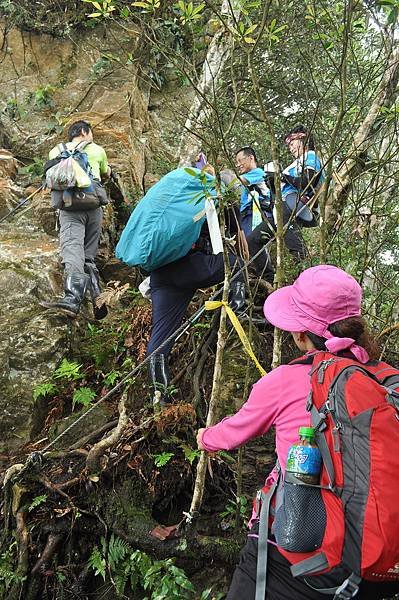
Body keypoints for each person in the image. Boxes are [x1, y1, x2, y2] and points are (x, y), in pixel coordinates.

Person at [197, 264, 399, 600]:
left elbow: (231, 434)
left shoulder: (284, 380)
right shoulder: (386, 379)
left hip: (302, 557)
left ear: (300, 334)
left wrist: (204, 436)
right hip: (380, 563)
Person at [147, 169, 247, 408]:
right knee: (236, 264)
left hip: (161, 274)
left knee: (160, 339)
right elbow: (236, 240)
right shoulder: (216, 201)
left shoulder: (184, 206)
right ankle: (238, 308)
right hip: (188, 266)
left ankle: (159, 396)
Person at [42, 120, 111, 318]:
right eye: (91, 133)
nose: (92, 137)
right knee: (88, 256)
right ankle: (98, 299)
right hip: (94, 208)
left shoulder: (56, 151)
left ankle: (72, 299)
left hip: (70, 208)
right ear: (83, 132)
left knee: (72, 250)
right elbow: (105, 173)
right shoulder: (98, 150)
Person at [247, 125, 324, 270]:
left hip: (294, 206)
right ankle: (268, 277)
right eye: (288, 145)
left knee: (296, 248)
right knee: (253, 240)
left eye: (292, 143)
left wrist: (281, 176)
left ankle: (304, 271)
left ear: (303, 140)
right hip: (282, 208)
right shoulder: (295, 163)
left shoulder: (310, 156)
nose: (290, 148)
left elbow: (307, 182)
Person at [235, 147, 272, 238]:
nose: (238, 165)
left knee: (250, 243)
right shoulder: (247, 177)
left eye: (240, 160)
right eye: (237, 162)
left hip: (254, 214)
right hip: (245, 215)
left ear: (251, 157)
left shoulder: (258, 172)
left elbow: (235, 182)